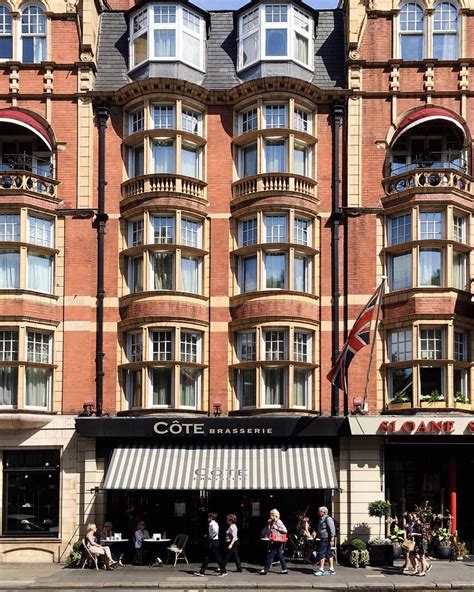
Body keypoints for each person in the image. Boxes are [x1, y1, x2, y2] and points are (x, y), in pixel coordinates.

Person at [194, 512, 228, 577]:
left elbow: (215, 531)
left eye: (208, 517)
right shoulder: (213, 523)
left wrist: (210, 536)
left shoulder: (212, 524)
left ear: (211, 518)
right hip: (213, 541)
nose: (207, 519)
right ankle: (202, 572)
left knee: (217, 557)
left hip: (214, 542)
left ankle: (224, 571)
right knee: (207, 556)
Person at [259, 509, 288, 575]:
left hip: (278, 540)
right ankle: (284, 569)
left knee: (271, 555)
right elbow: (270, 531)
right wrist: (270, 524)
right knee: (280, 554)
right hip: (276, 540)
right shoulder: (274, 522)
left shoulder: (279, 522)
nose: (270, 516)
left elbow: (285, 530)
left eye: (272, 515)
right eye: (270, 515)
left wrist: (277, 528)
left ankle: (265, 569)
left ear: (276, 516)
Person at [313, 506, 336, 576]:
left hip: (326, 539)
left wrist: (332, 539)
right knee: (328, 553)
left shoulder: (328, 519)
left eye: (319, 511)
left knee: (321, 553)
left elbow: (332, 529)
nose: (318, 512)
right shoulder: (321, 519)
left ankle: (321, 569)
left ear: (324, 512)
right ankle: (331, 569)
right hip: (322, 538)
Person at [409, 512, 432, 577]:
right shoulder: (415, 525)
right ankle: (416, 569)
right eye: (412, 517)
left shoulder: (421, 525)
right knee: (411, 555)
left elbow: (424, 535)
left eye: (414, 517)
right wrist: (411, 535)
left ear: (418, 518)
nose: (412, 518)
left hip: (422, 542)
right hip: (416, 542)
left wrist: (414, 534)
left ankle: (423, 571)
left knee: (422, 556)